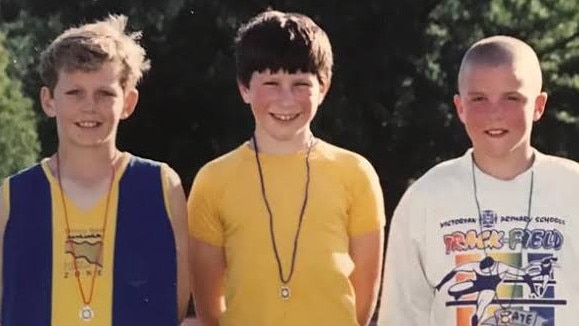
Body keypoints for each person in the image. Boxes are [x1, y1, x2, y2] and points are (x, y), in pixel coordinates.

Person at [188, 10, 385, 326]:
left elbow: (361, 305)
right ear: (244, 88)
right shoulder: (213, 180)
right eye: (271, 82)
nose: (286, 99)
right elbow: (210, 308)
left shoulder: (356, 173)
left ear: (324, 87)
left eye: (300, 84)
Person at [0, 14, 189, 325]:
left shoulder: (161, 186)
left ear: (128, 102)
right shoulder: (13, 197)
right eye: (75, 93)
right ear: (49, 101)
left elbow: (175, 302)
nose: (89, 106)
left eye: (105, 93)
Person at [377, 35, 578, 326]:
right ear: (460, 107)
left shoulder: (573, 189)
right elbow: (402, 315)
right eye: (479, 99)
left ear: (538, 105)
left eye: (512, 98)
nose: (495, 113)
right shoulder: (426, 197)